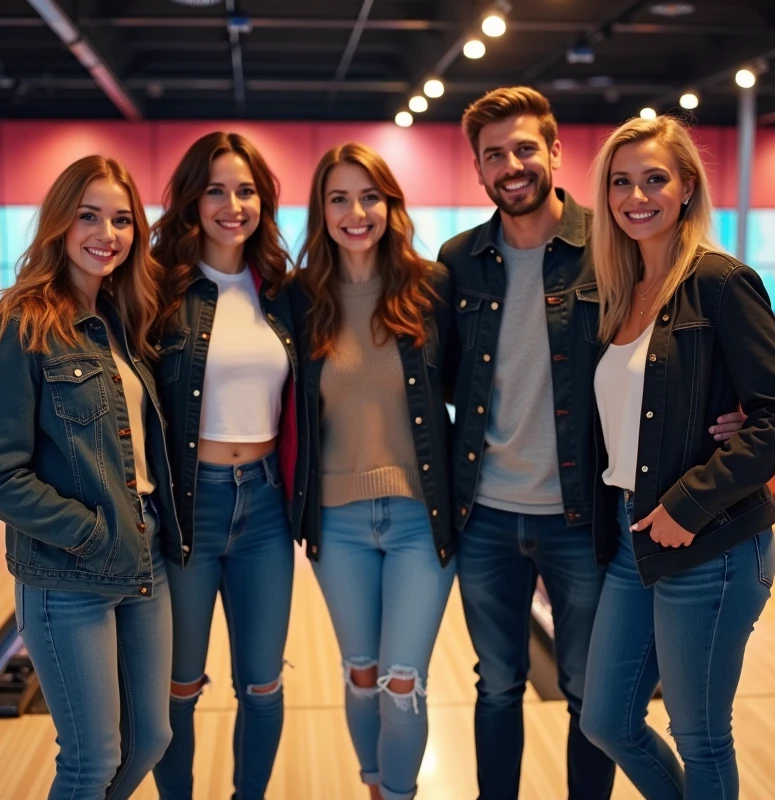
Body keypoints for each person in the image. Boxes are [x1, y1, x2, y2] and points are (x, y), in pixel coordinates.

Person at [437, 87, 746, 800]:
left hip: (582, 514)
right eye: (493, 155)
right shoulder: (459, 260)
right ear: (478, 169)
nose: (511, 165)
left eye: (524, 148)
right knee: (496, 684)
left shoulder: (609, 246)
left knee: (588, 694)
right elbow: (445, 376)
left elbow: (670, 337)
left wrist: (723, 404)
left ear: (554, 151)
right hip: (484, 513)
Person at [578, 115, 775, 800]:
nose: (636, 196)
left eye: (655, 179)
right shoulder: (620, 289)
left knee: (700, 735)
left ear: (686, 188)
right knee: (606, 721)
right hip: (633, 535)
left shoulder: (720, 282)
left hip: (712, 542)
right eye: (621, 182)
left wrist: (690, 503)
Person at [0, 155, 176, 800]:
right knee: (91, 762)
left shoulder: (123, 319)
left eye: (122, 220)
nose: (106, 234)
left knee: (151, 740)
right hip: (68, 573)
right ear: (60, 223)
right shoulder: (24, 325)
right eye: (89, 216)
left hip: (145, 559)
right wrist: (91, 535)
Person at [293, 142, 455, 800]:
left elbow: (479, 384)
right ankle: (373, 786)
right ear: (322, 211)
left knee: (401, 681)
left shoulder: (429, 288)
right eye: (339, 199)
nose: (356, 213)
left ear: (391, 205)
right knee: (362, 673)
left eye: (370, 197)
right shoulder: (300, 299)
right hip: (337, 524)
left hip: (421, 516)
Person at [149, 131, 306, 800]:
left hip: (266, 506)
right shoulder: (157, 288)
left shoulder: (283, 293)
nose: (232, 205)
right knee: (178, 685)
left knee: (263, 685)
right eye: (215, 190)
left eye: (245, 191)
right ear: (192, 200)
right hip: (189, 506)